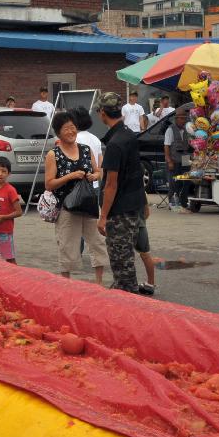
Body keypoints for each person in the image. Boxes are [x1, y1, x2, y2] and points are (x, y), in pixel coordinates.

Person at [44, 111, 107, 285]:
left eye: (73, 128)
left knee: (97, 242)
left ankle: (99, 282)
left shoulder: (85, 150)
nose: (71, 131)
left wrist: (96, 176)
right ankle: (67, 285)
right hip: (67, 207)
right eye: (66, 129)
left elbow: (99, 170)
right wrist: (70, 176)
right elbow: (49, 184)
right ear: (58, 133)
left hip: (89, 204)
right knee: (67, 246)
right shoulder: (53, 154)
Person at [97, 92, 146, 293]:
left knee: (121, 263)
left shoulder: (115, 144)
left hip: (119, 212)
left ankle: (127, 305)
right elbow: (137, 172)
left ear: (102, 113)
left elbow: (111, 184)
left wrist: (103, 216)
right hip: (133, 206)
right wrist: (144, 202)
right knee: (126, 260)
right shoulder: (129, 135)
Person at [164, 108, 191, 212]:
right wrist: (169, 160)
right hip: (174, 158)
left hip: (185, 158)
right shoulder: (170, 129)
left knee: (186, 181)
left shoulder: (187, 130)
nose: (183, 121)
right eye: (181, 119)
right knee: (174, 182)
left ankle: (184, 202)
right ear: (176, 119)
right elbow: (166, 146)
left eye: (185, 119)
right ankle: (173, 203)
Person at [72, 106, 102, 196]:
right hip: (95, 183)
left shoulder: (74, 139)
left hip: (78, 185)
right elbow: (101, 165)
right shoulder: (95, 139)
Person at [136, 200, 156, 296]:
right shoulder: (142, 192)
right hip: (141, 225)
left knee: (124, 254)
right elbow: (147, 213)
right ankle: (150, 284)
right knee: (145, 255)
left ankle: (126, 283)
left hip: (125, 226)